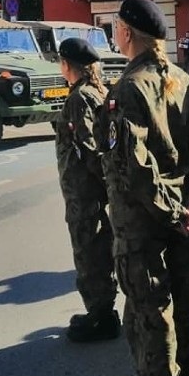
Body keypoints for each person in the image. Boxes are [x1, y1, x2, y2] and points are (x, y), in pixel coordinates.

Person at [100, 0, 189, 376]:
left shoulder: (129, 88)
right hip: (180, 215)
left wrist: (173, 212)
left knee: (151, 313)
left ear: (127, 32)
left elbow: (133, 167)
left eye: (116, 25)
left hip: (144, 223)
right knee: (184, 299)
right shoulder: (180, 78)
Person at [54, 37, 120, 343]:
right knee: (100, 249)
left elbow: (90, 148)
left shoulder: (80, 98)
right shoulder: (97, 91)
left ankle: (101, 316)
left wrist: (103, 187)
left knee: (89, 251)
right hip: (93, 190)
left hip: (84, 193)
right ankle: (104, 310)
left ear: (68, 65)